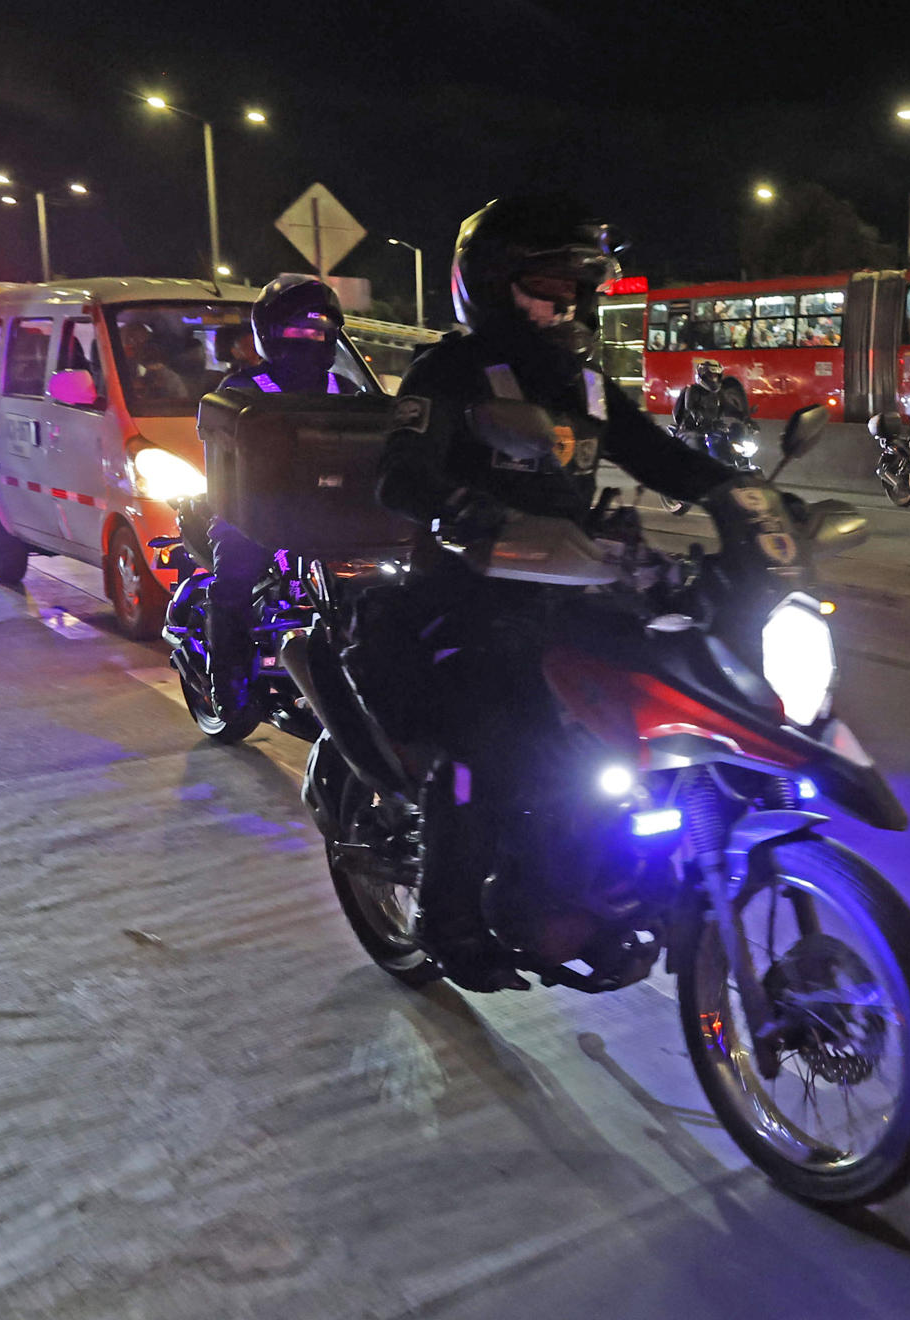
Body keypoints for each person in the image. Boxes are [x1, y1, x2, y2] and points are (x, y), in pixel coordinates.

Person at [351, 193, 740, 991]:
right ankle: (450, 919)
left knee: (667, 688)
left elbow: (655, 455)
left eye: (577, 287)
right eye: (549, 286)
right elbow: (399, 473)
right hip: (465, 595)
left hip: (570, 587)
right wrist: (460, 509)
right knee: (490, 742)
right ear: (493, 283)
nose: (568, 303)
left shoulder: (586, 381)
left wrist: (741, 497)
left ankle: (610, 870)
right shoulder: (451, 370)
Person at [204, 275, 356, 718]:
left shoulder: (344, 392)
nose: (309, 339)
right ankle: (227, 683)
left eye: (318, 330)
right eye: (296, 329)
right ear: (270, 332)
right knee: (232, 581)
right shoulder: (242, 391)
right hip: (254, 515)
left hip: (329, 516)